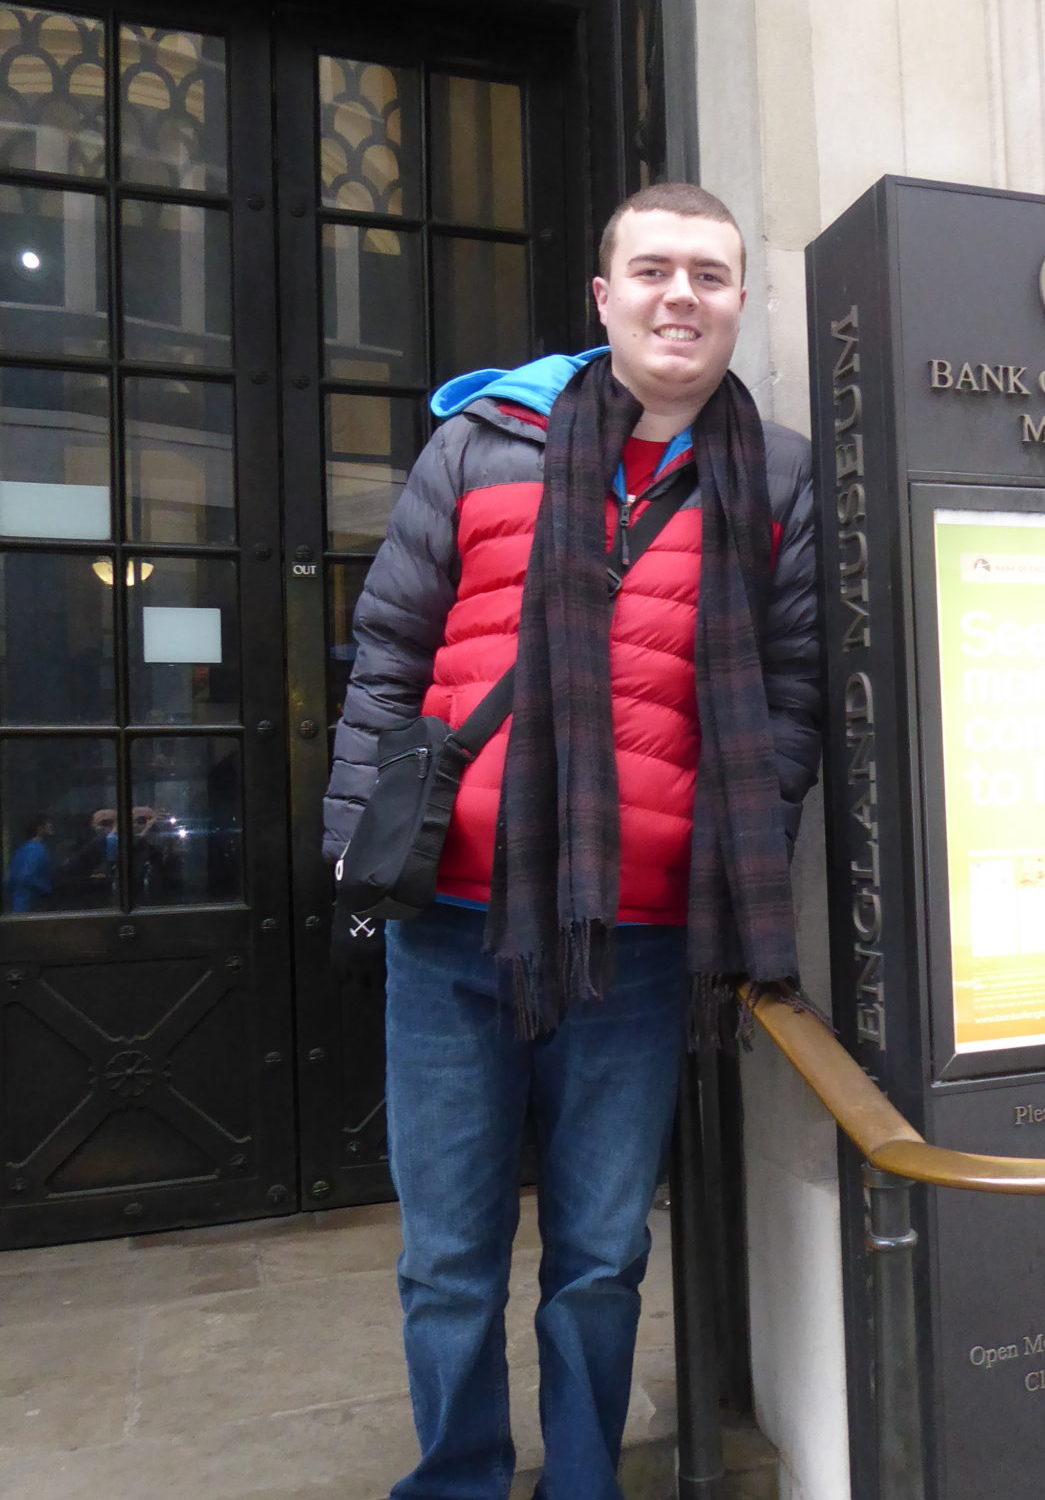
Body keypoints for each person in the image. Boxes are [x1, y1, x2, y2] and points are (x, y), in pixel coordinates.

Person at [322, 183, 820, 1500]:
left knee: (601, 1259)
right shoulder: (484, 441)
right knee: (448, 1262)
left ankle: (583, 1482)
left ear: (740, 300)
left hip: (641, 944)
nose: (679, 296)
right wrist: (356, 842)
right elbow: (388, 654)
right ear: (603, 296)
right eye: (652, 270)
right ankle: (460, 1480)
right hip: (453, 927)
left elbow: (792, 695)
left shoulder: (773, 474)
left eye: (708, 274)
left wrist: (739, 853)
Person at [6, 814, 53, 912]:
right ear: (40, 829)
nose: (51, 826)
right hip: (30, 905)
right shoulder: (36, 849)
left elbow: (11, 877)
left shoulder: (23, 849)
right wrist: (45, 889)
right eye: (48, 824)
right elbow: (25, 876)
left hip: (19, 903)